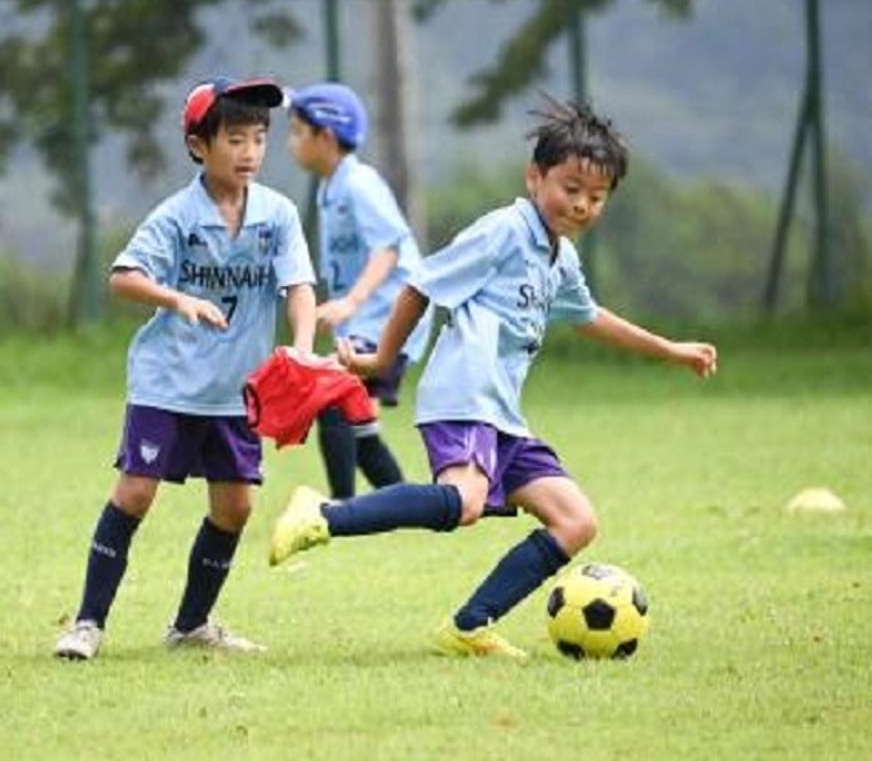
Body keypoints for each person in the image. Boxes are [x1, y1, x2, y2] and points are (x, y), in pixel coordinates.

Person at [268, 97, 717, 659]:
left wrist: (669, 350)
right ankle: (323, 514)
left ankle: (468, 626)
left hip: (502, 412)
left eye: (595, 197)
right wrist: (382, 359)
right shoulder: (506, 230)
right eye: (569, 187)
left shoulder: (561, 258)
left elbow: (590, 317)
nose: (579, 204)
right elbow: (421, 284)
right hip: (462, 395)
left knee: (575, 520)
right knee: (466, 500)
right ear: (535, 178)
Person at [55, 77, 317, 662]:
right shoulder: (177, 216)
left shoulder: (278, 214)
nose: (249, 151)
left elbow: (298, 285)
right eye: (234, 139)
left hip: (236, 391)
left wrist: (300, 345)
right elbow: (123, 277)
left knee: (236, 507)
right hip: (168, 383)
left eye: (258, 139)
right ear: (199, 145)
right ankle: (87, 624)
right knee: (136, 493)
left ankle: (191, 625)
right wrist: (178, 299)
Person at [286, 82, 432, 500]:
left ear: (326, 137)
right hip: (367, 318)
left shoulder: (359, 183)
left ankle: (340, 511)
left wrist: (351, 301)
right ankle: (411, 506)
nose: (290, 142)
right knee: (359, 426)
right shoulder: (331, 186)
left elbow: (388, 248)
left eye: (297, 131)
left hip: (391, 315)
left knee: (329, 392)